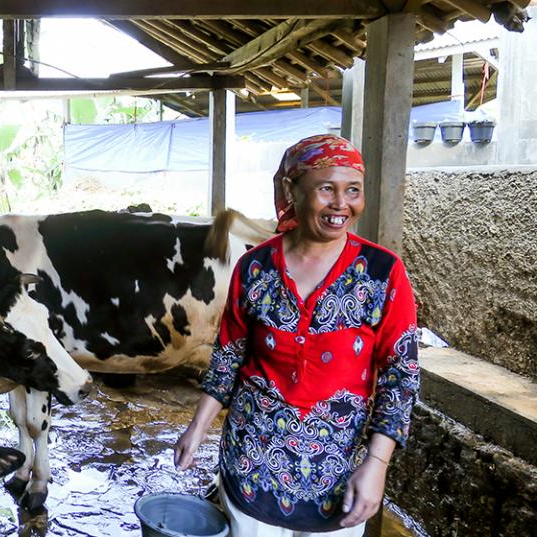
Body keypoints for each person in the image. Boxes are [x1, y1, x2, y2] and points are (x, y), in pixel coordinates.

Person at [174, 134, 419, 536]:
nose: (341, 204)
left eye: (352, 190)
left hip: (338, 470)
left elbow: (400, 376)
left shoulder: (383, 273)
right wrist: (198, 427)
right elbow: (228, 358)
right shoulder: (255, 268)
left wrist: (376, 465)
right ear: (292, 190)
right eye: (326, 188)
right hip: (252, 461)